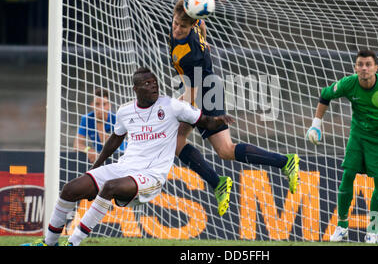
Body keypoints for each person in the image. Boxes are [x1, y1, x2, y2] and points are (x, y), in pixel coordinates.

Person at [22, 67, 234, 246]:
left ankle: (74, 241)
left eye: (154, 82)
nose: (153, 86)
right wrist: (96, 166)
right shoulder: (124, 112)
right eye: (147, 83)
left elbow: (203, 121)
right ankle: (48, 243)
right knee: (70, 189)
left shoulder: (171, 106)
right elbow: (114, 140)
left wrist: (219, 120)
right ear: (136, 88)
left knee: (110, 187)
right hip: (124, 167)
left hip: (151, 175)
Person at [169, 0, 300, 217]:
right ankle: (219, 182)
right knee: (178, 140)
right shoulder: (193, 26)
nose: (178, 29)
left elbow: (194, 90)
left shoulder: (191, 53)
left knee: (225, 150)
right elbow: (202, 23)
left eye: (183, 26)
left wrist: (177, 106)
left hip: (206, 92)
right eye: (175, 23)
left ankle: (285, 162)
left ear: (190, 26)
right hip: (201, 87)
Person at [306, 49, 378, 244]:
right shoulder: (348, 83)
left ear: (375, 68)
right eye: (360, 64)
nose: (364, 68)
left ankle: (372, 230)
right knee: (347, 176)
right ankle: (342, 226)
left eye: (368, 64)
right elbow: (325, 95)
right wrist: (316, 125)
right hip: (359, 134)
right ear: (355, 67)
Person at [73, 87, 126, 163]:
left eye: (104, 104)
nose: (101, 108)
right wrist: (88, 150)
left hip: (119, 154)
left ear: (109, 106)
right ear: (92, 105)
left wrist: (99, 122)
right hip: (100, 156)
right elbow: (76, 144)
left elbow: (108, 146)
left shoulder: (116, 119)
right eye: (97, 104)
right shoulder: (86, 119)